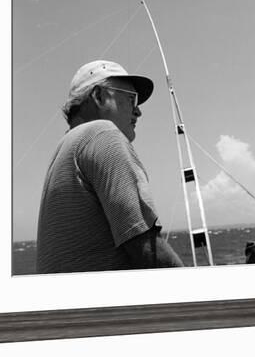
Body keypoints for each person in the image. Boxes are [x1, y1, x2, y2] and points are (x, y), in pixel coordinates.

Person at [36, 60, 183, 274]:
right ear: (98, 96)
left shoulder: (65, 149)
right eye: (131, 99)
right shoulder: (101, 134)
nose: (138, 111)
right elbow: (146, 250)